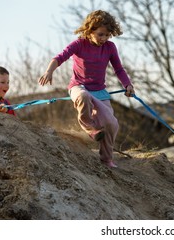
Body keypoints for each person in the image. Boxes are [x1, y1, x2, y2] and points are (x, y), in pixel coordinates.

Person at [38, 10, 135, 169]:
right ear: (90, 30)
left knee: (111, 124)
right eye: (100, 34)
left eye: (107, 35)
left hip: (99, 91)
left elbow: (118, 69)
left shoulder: (110, 47)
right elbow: (60, 57)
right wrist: (49, 71)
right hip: (78, 87)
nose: (103, 38)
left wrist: (128, 84)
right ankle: (89, 127)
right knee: (83, 96)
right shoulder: (79, 44)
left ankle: (106, 159)